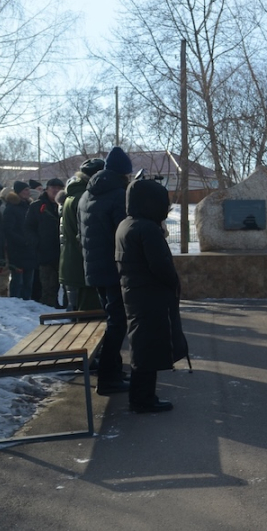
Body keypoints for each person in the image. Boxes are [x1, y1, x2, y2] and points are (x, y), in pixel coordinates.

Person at [115, 177, 189, 413]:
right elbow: (160, 265)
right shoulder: (147, 229)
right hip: (150, 295)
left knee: (143, 344)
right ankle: (143, 399)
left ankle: (142, 395)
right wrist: (173, 282)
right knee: (148, 346)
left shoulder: (127, 224)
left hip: (137, 293)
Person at [78, 146, 133, 395]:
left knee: (112, 320)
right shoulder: (118, 195)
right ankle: (109, 377)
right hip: (113, 268)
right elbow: (123, 233)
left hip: (95, 267)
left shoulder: (87, 194)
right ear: (124, 174)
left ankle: (113, 370)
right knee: (117, 323)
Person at [60, 159, 105, 311]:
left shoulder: (73, 195)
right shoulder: (84, 198)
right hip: (81, 264)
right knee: (88, 314)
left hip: (72, 261)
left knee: (77, 309)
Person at [25, 178, 65, 307]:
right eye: (53, 188)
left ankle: (65, 307)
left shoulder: (65, 205)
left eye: (59, 188)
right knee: (48, 285)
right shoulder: (37, 206)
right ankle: (49, 308)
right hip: (45, 252)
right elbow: (28, 227)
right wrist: (37, 243)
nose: (56, 191)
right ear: (47, 189)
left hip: (63, 251)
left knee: (65, 284)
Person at [2, 181, 37, 300]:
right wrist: (23, 241)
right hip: (17, 250)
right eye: (25, 190)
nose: (28, 192)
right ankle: (15, 303)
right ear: (18, 192)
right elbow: (8, 230)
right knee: (18, 281)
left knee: (28, 281)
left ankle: (26, 302)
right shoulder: (11, 208)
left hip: (30, 249)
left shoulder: (29, 206)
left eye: (28, 190)